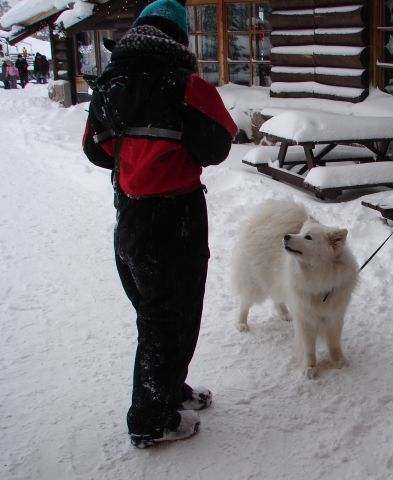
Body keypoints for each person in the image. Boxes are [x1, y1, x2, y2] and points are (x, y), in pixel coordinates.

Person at [82, 0, 237, 448]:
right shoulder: (186, 84)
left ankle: (169, 389)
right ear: (178, 38)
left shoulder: (111, 83)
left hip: (130, 213)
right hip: (176, 216)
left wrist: (137, 158)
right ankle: (150, 420)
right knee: (170, 317)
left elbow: (94, 150)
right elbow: (217, 146)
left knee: (156, 314)